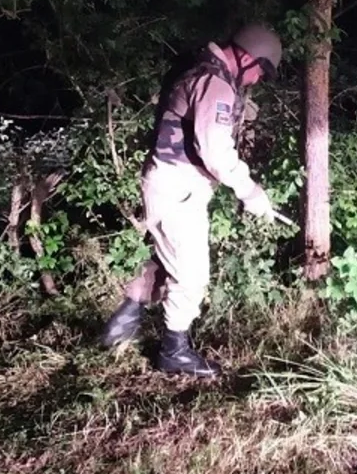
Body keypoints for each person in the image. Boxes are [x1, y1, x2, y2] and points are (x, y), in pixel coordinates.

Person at [98, 22, 283, 376]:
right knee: (192, 274)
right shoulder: (216, 84)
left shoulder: (201, 68)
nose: (258, 80)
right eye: (261, 71)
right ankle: (174, 352)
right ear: (249, 57)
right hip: (179, 186)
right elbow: (215, 152)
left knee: (169, 258)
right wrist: (250, 192)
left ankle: (126, 317)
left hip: (169, 181)